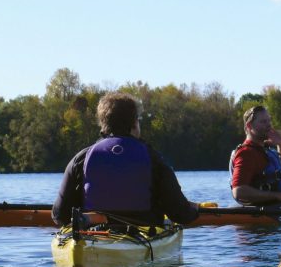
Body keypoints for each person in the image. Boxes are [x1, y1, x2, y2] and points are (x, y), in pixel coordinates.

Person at [52, 92, 199, 227]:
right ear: (134, 123)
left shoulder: (80, 159)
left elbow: (59, 215)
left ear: (103, 123)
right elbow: (181, 214)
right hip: (143, 236)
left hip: (92, 235)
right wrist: (195, 209)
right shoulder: (154, 159)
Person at [230, 105, 281, 204]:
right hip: (263, 213)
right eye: (263, 122)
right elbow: (238, 191)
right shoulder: (246, 153)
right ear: (249, 126)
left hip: (276, 208)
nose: (269, 125)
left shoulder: (265, 150)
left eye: (269, 121)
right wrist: (277, 196)